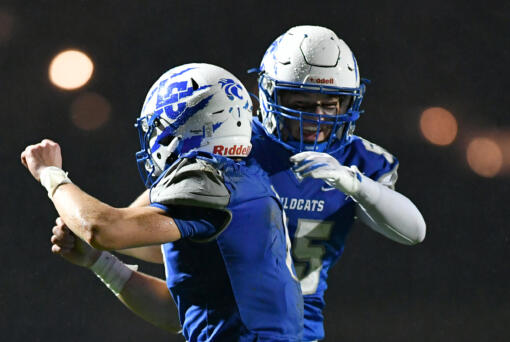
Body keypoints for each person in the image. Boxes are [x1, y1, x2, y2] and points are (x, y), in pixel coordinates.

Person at [21, 63, 303, 342]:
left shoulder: (211, 181)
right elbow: (178, 313)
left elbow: (102, 228)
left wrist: (51, 174)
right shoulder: (243, 183)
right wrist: (99, 262)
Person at [247, 25, 427, 341]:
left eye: (329, 105)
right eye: (301, 105)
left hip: (302, 332)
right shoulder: (239, 146)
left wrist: (354, 183)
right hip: (228, 324)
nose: (317, 117)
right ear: (270, 96)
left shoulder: (358, 162)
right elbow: (163, 218)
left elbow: (414, 231)